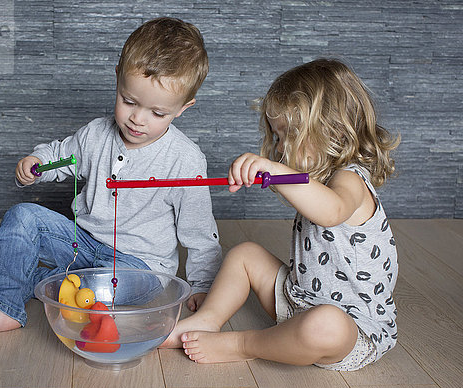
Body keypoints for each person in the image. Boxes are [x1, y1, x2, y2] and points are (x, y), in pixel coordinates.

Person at [0, 17, 222, 338]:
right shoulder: (96, 134)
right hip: (83, 243)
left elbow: (200, 233)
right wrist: (37, 163)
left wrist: (202, 285)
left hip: (140, 267)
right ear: (118, 79)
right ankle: (1, 304)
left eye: (157, 113)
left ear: (182, 108)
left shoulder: (185, 160)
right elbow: (64, 156)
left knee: (83, 286)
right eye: (129, 101)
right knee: (21, 216)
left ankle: (55, 284)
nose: (138, 119)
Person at [162, 59, 400, 371]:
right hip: (298, 301)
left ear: (333, 130)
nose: (280, 147)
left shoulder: (351, 180)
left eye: (290, 134)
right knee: (246, 254)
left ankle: (244, 344)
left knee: (325, 324)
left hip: (350, 331)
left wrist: (276, 171)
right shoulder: (320, 180)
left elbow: (332, 211)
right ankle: (207, 320)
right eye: (277, 136)